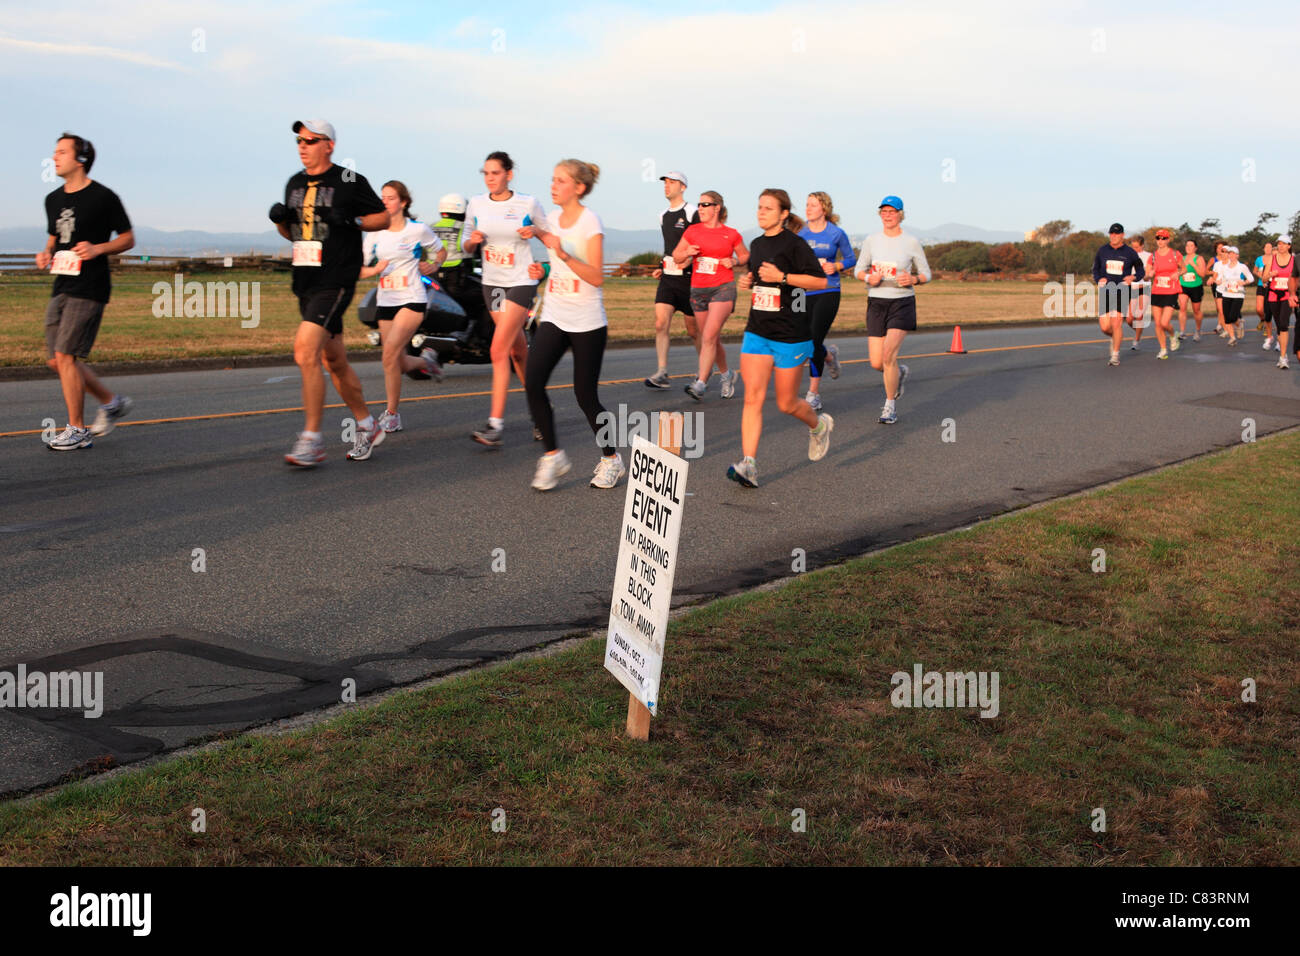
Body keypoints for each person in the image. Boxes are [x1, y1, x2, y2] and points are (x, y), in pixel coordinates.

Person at [270, 120, 389, 466]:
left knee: (304, 351)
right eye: (299, 140)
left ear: (329, 145)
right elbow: (293, 234)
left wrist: (352, 222)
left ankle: (312, 440)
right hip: (305, 279)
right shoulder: (294, 182)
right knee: (333, 360)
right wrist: (280, 220)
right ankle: (368, 424)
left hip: (335, 279)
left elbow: (381, 216)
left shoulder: (348, 180)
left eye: (310, 140)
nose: (302, 146)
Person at [523, 160, 625, 491]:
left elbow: (596, 277)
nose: (553, 186)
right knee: (532, 382)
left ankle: (612, 459)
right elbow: (557, 265)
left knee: (586, 396)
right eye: (552, 180)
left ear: (578, 188)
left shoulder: (589, 222)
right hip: (554, 315)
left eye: (561, 181)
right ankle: (553, 456)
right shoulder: (551, 219)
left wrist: (563, 255)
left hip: (587, 322)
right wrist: (544, 269)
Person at [728, 189, 832, 488]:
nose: (761, 212)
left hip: (790, 333)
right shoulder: (757, 244)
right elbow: (758, 279)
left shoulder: (795, 245)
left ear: (784, 213)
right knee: (752, 398)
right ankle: (749, 464)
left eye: (768, 208)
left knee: (786, 403)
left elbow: (819, 281)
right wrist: (748, 281)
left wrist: (783, 278)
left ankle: (819, 425)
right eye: (759, 207)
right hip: (757, 330)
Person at [37, 132, 135, 450]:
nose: (54, 157)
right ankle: (111, 402)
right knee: (57, 360)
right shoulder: (52, 200)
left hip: (90, 287)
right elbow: (54, 239)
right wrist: (45, 253)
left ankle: (77, 430)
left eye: (62, 152)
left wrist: (98, 248)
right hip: (62, 284)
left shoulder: (103, 197)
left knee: (66, 355)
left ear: (80, 159)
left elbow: (128, 238)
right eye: (54, 152)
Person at [461, 151, 549, 446]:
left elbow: (551, 238)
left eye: (495, 173)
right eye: (485, 173)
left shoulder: (527, 203)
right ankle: (541, 415)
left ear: (509, 175)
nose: (489, 179)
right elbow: (465, 245)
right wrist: (470, 243)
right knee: (517, 351)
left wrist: (537, 238)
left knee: (498, 349)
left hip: (521, 282)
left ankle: (495, 424)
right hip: (493, 286)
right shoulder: (476, 203)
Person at [358, 181, 445, 433]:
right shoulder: (374, 233)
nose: (385, 201)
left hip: (412, 299)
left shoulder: (417, 230)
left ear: (403, 202)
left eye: (391, 197)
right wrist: (373, 270)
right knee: (397, 362)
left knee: (388, 356)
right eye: (382, 197)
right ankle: (426, 362)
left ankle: (392, 414)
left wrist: (434, 265)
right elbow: (360, 269)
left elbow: (440, 252)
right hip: (386, 301)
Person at [853, 195, 931, 421]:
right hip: (876, 302)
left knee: (888, 355)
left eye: (892, 211)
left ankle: (889, 406)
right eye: (884, 211)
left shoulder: (911, 242)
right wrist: (869, 277)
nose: (887, 215)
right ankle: (899, 372)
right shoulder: (871, 240)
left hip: (902, 302)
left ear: (900, 214)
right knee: (877, 362)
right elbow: (858, 270)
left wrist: (914, 280)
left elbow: (927, 273)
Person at [672, 191, 747, 400]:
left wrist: (734, 261)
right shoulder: (692, 231)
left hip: (723, 288)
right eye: (699, 204)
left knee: (709, 336)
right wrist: (687, 253)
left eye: (706, 204)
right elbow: (677, 256)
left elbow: (745, 254)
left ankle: (701, 383)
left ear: (717, 208)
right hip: (698, 290)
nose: (701, 208)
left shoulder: (731, 233)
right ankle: (727, 375)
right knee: (711, 339)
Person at [644, 171, 704, 389]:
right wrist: (662, 266)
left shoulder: (692, 212)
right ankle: (662, 372)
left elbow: (701, 241)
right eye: (665, 183)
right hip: (668, 279)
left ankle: (703, 371)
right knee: (660, 323)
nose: (667, 186)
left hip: (689, 280)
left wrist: (691, 259)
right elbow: (670, 247)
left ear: (683, 187)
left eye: (672, 182)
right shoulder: (662, 215)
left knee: (693, 331)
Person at [798, 191, 856, 411]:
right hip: (803, 291)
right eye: (806, 204)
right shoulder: (801, 234)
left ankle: (813, 394)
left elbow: (851, 258)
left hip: (828, 289)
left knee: (813, 339)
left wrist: (837, 266)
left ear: (824, 208)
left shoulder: (836, 233)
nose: (808, 208)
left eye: (812, 205)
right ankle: (829, 356)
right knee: (804, 338)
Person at [1091, 222, 1144, 366]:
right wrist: (1098, 279)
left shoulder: (1130, 252)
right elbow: (1095, 269)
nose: (1113, 236)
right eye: (1111, 234)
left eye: (1116, 234)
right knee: (1104, 327)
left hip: (1122, 290)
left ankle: (1115, 356)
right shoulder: (1103, 251)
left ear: (1122, 235)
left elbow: (1141, 271)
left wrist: (1133, 277)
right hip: (1106, 290)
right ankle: (1115, 338)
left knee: (1116, 322)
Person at [1261, 236, 1297, 369]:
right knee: (1278, 324)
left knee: (1283, 324)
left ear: (1289, 246)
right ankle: (1283, 353)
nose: (1280, 246)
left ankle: (1283, 357)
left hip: (1287, 295)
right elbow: (1263, 279)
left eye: (1283, 244)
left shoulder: (1294, 260)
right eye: (1279, 244)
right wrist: (1270, 275)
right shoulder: (1272, 258)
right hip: (1273, 294)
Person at [1147, 229, 1183, 359]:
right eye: (1158, 238)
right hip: (1157, 290)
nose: (1160, 241)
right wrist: (1149, 274)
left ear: (1168, 240)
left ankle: (1173, 335)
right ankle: (1163, 349)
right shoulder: (1153, 256)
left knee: (1164, 322)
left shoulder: (1175, 254)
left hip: (1171, 290)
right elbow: (1147, 273)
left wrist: (1177, 273)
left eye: (1163, 238)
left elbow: (1183, 268)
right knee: (1157, 323)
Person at [1212, 246, 1253, 345]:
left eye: (1233, 253)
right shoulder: (1225, 267)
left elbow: (1251, 278)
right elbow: (1220, 278)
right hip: (1226, 294)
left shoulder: (1242, 267)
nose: (1231, 255)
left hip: (1238, 295)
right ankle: (1232, 338)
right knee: (1227, 318)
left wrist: (1243, 283)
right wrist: (1217, 281)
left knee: (1233, 317)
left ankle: (1238, 325)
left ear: (1237, 255)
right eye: (1229, 253)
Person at [1177, 238, 1207, 341]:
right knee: (1182, 307)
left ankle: (1198, 331)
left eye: (1191, 246)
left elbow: (1203, 274)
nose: (1188, 248)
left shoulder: (1199, 258)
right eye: (1187, 246)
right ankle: (1182, 332)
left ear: (1195, 248)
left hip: (1196, 286)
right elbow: (1178, 270)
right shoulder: (1182, 258)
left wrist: (1193, 264)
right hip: (1183, 285)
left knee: (1196, 310)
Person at [1127, 234, 1152, 350]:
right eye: (1133, 247)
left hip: (1144, 287)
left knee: (1139, 315)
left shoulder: (1148, 256)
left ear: (1142, 245)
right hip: (1132, 287)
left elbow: (1147, 273)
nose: (1134, 249)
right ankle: (1139, 331)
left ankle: (1136, 341)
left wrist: (1142, 278)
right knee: (1129, 318)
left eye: (1137, 247)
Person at [1255, 242, 1275, 349]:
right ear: (1263, 249)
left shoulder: (1275, 259)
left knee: (1268, 310)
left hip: (1271, 286)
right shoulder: (1259, 259)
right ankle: (1262, 320)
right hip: (1261, 285)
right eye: (1266, 247)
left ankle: (1267, 330)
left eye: (1270, 247)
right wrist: (1261, 275)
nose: (1268, 249)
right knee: (1259, 309)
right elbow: (1255, 270)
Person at [1206, 241, 1227, 336]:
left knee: (1225, 305)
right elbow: (1206, 271)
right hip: (1216, 284)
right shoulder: (1213, 259)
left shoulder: (1228, 258)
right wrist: (1214, 273)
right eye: (1219, 248)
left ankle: (1223, 325)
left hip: (1226, 284)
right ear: (1216, 249)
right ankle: (1220, 324)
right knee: (1219, 307)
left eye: (1222, 248)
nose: (1221, 250)